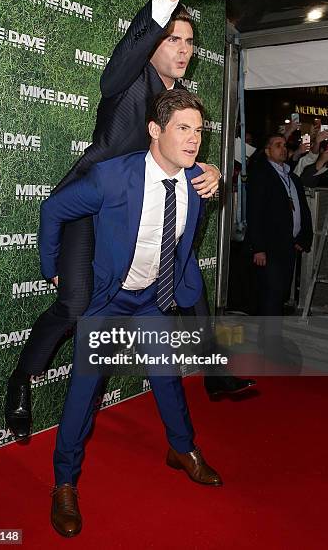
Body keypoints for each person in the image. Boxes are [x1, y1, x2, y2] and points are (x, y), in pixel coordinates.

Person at [5, 0, 253, 439]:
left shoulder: (180, 104)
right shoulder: (129, 81)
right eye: (172, 39)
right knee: (76, 306)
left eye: (188, 43)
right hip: (91, 207)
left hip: (139, 216)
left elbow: (178, 158)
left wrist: (212, 169)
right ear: (154, 43)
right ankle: (21, 378)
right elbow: (119, 64)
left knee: (187, 281)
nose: (182, 50)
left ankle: (214, 374)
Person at [40, 89, 223, 537]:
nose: (194, 139)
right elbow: (53, 209)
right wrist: (53, 270)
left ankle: (182, 450)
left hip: (152, 300)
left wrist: (215, 173)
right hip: (109, 299)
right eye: (183, 128)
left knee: (167, 376)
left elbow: (188, 230)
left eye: (199, 130)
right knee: (84, 393)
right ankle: (64, 481)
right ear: (155, 131)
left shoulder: (198, 181)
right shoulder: (112, 178)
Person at [246, 134, 313, 318]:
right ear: (267, 151)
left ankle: (269, 339)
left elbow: (304, 211)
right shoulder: (261, 175)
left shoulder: (292, 177)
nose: (283, 148)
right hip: (270, 248)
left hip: (289, 247)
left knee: (281, 294)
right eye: (277, 145)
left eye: (284, 145)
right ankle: (271, 343)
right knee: (272, 297)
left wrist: (303, 238)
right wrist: (258, 247)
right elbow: (255, 213)